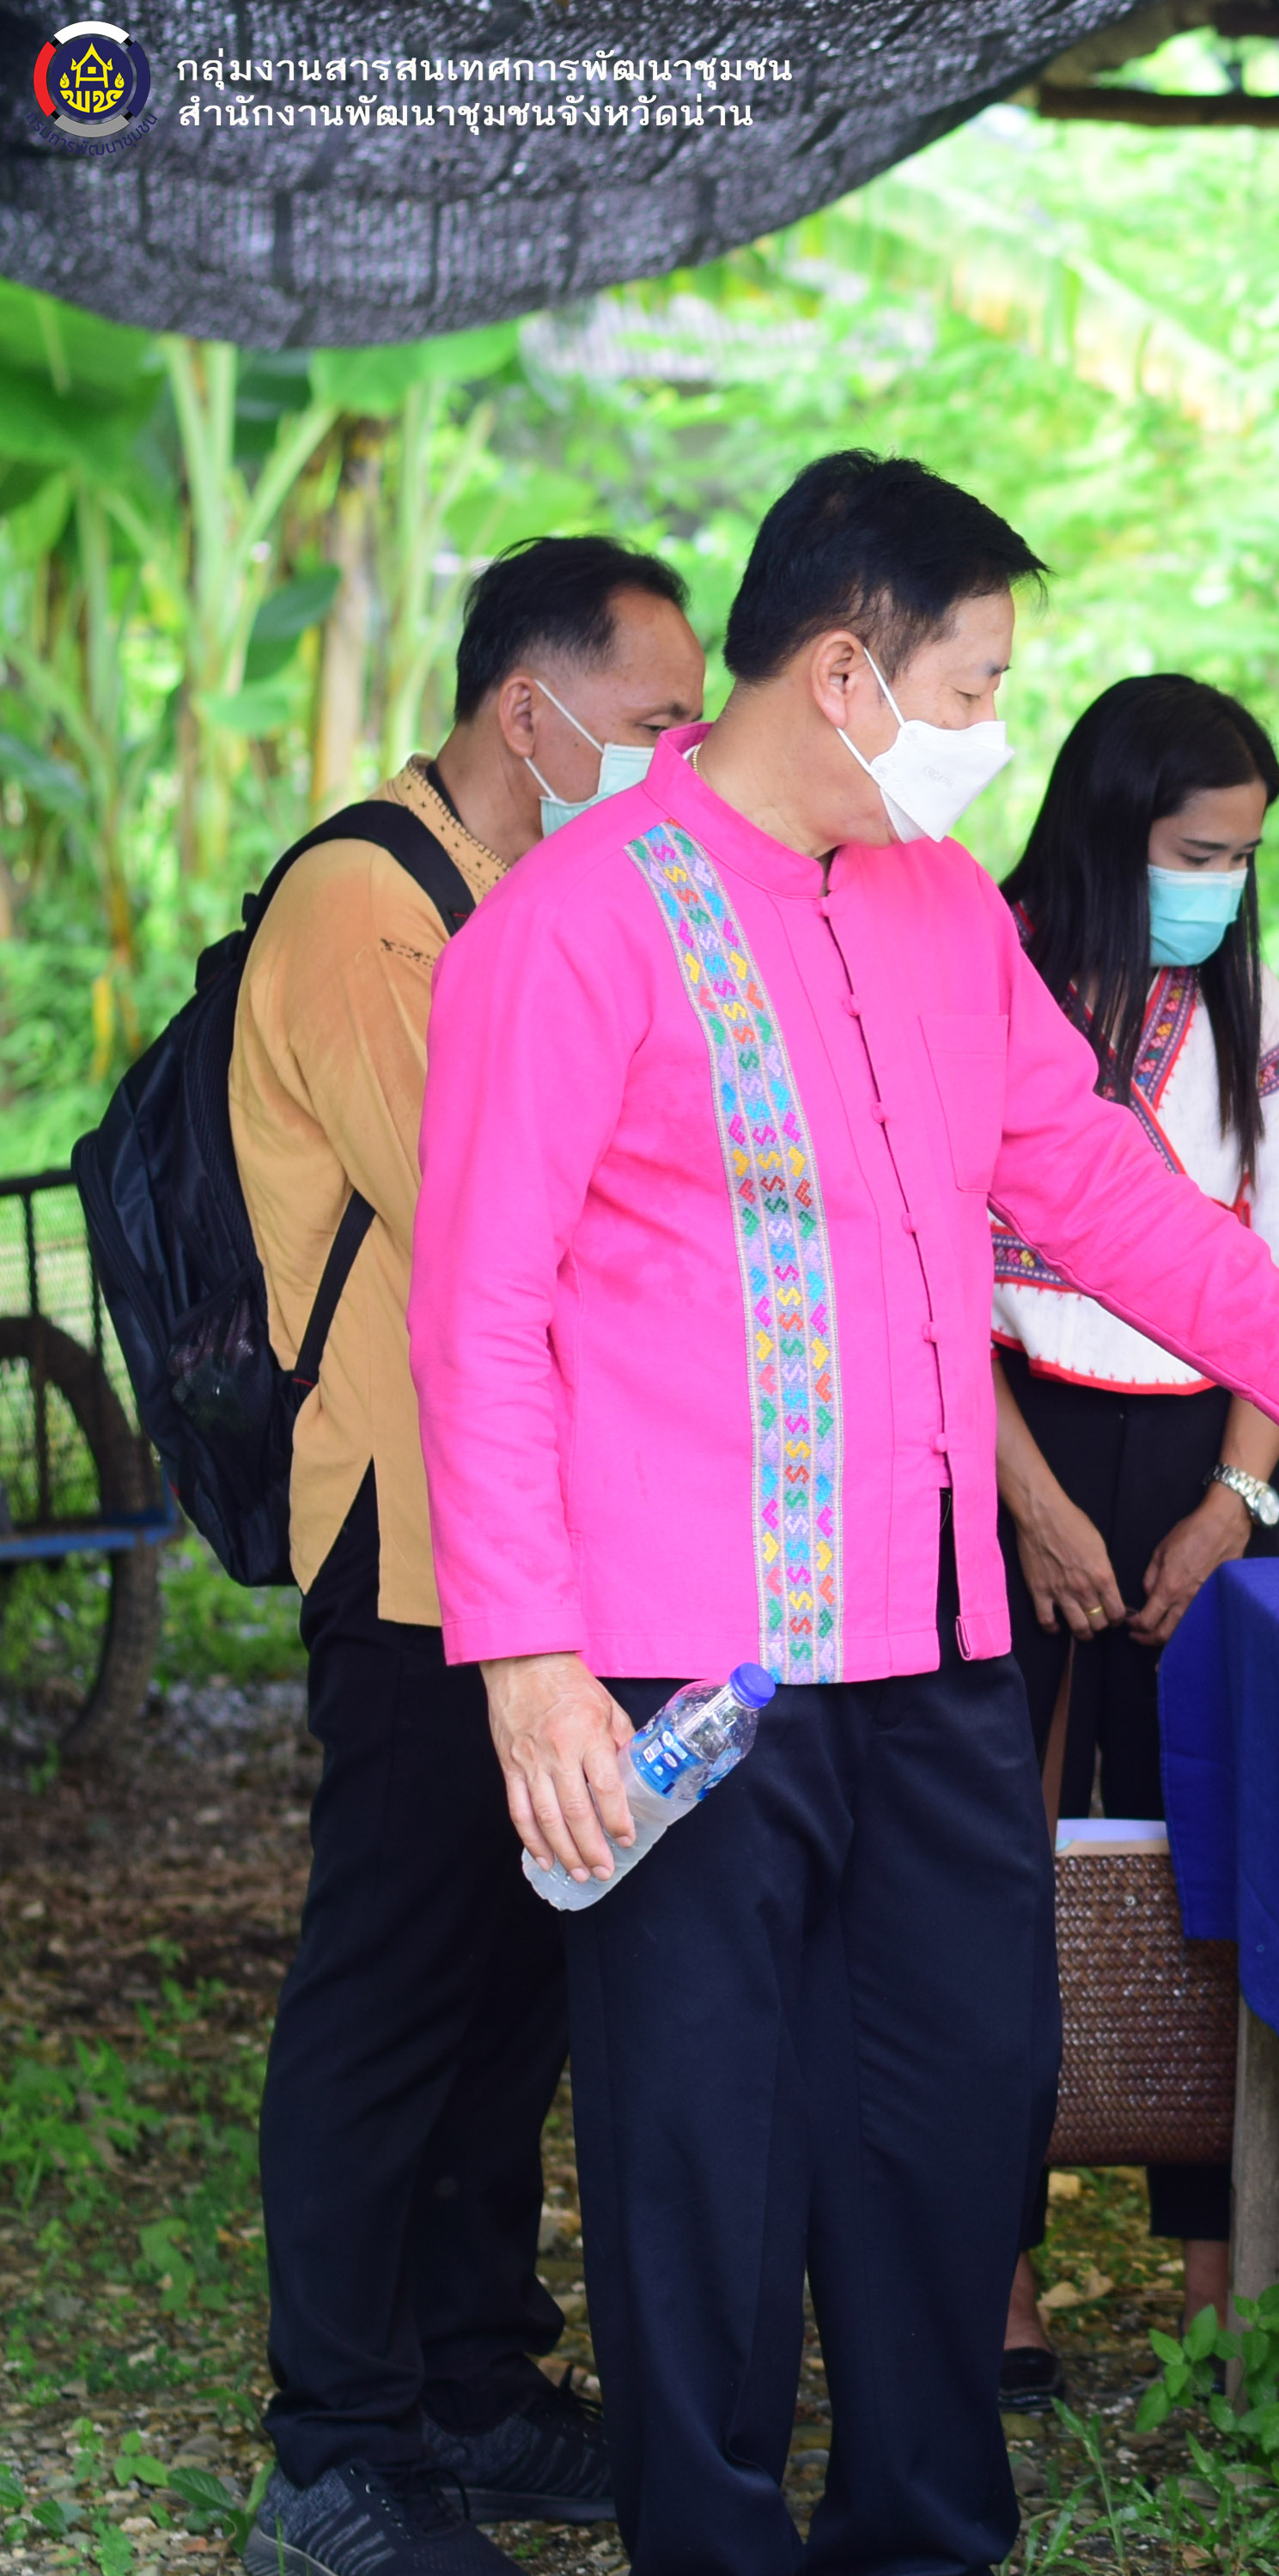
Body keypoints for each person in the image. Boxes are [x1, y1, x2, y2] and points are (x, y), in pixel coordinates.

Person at [407, 450, 1279, 2576]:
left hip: (942, 1650)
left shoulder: (943, 913)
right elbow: (478, 1312)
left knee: (960, 2115)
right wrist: (527, 1659)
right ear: (848, 669)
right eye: (975, 681)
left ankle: (922, 2533)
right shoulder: (569, 921)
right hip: (693, 1662)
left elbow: (1104, 1196)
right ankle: (710, 2539)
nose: (992, 729)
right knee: (702, 2149)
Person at [235, 533, 707, 2576]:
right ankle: (333, 2450)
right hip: (413, 1539)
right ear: (534, 707)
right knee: (393, 1984)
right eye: (658, 714)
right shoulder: (363, 900)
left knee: (519, 1981)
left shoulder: (542, 895)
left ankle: (476, 2382)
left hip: (542, 1545)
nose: (685, 748)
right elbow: (500, 1219)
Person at [985, 675, 1279, 2400]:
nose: (1221, 885)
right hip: (1008, 1438)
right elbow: (917, 1282)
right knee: (995, 1869)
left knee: (1203, 1865)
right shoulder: (991, 980)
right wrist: (1030, 1502)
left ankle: (1221, 2289)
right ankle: (1005, 2288)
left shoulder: (1249, 1020)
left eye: (1244, 856)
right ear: (1112, 834)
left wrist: (1232, 1501)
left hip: (1203, 1457)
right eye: (1197, 852)